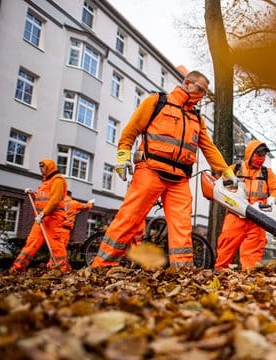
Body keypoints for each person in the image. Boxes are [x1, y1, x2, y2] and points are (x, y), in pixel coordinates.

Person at [91, 71, 237, 268]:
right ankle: (102, 265)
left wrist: (226, 171)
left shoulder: (196, 118)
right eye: (200, 90)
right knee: (130, 218)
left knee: (182, 226)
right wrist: (123, 156)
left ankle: (183, 271)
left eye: (204, 93)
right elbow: (131, 130)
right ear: (187, 83)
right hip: (150, 170)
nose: (201, 95)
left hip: (179, 179)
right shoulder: (157, 101)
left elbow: (209, 148)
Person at [215, 140, 276, 270]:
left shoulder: (267, 173)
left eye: (263, 155)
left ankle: (249, 278)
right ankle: (219, 273)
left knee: (254, 252)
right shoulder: (235, 169)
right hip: (235, 214)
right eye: (258, 155)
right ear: (250, 154)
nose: (261, 159)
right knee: (226, 246)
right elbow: (219, 185)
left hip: (257, 218)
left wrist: (273, 198)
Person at [10, 159, 70, 272]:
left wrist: (43, 213)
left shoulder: (57, 180)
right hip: (42, 218)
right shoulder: (46, 182)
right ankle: (17, 268)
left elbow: (55, 200)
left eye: (43, 167)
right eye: (40, 167)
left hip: (53, 218)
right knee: (31, 242)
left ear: (49, 167)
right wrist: (32, 194)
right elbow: (42, 199)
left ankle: (62, 269)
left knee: (55, 244)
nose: (41, 169)